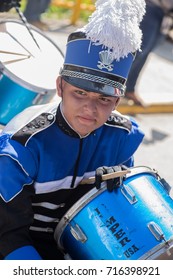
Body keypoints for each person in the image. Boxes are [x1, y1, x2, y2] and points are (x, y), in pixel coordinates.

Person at [0, 0, 146, 260]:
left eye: (103, 99)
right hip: (26, 246)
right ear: (59, 87)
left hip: (88, 245)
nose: (90, 109)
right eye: (79, 93)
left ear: (117, 102)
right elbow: (7, 233)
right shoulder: (22, 144)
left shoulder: (121, 136)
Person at [125, 0, 173, 106]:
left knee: (146, 52)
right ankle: (112, 84)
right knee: (139, 50)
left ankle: (129, 88)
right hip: (153, 6)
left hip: (166, 14)